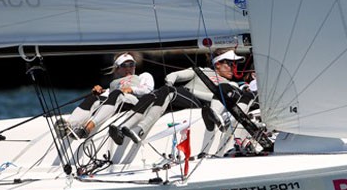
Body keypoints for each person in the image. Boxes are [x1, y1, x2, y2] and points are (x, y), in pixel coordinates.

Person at [108, 48, 255, 145]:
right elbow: (174, 75)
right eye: (230, 63)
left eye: (234, 64)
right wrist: (170, 83)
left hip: (204, 105)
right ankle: (133, 129)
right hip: (188, 98)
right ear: (217, 64)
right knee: (158, 93)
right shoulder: (201, 71)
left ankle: (214, 116)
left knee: (222, 88)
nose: (233, 67)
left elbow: (223, 99)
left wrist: (190, 91)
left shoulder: (231, 86)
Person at [59, 52, 154, 139]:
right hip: (117, 102)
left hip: (134, 104)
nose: (128, 68)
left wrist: (132, 89)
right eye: (124, 65)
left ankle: (88, 128)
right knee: (93, 98)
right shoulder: (114, 84)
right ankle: (68, 126)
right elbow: (108, 96)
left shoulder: (143, 76)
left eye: (131, 64)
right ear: (117, 69)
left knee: (116, 93)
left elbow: (148, 90)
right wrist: (100, 92)